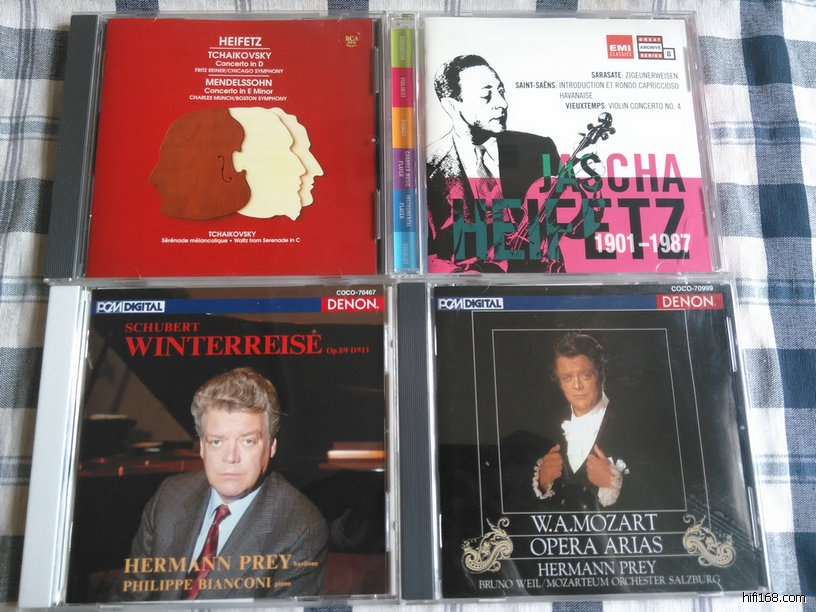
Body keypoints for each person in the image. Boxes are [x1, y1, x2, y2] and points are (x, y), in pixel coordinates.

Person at [109, 367, 328, 601]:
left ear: (271, 447)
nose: (230, 457)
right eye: (216, 442)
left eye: (247, 441)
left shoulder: (301, 529)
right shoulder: (169, 495)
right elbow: (128, 599)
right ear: (202, 447)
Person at [501, 332, 680, 512]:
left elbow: (668, 493)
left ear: (602, 377)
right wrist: (542, 481)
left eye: (586, 376)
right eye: (567, 378)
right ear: (560, 383)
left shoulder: (635, 421)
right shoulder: (549, 424)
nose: (577, 386)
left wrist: (615, 484)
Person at [425, 54, 560, 272]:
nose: (502, 104)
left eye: (501, 92)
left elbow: (573, 226)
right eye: (486, 96)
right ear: (451, 105)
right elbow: (424, 254)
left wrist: (589, 191)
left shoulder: (539, 149)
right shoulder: (424, 166)